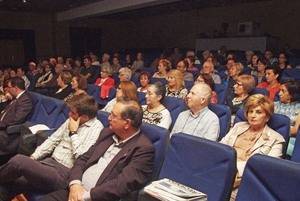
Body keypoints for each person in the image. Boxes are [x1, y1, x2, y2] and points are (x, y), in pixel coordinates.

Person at [40, 100, 155, 201]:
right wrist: (75, 184)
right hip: (75, 190)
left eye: (113, 116)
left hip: (96, 198)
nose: (109, 118)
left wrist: (84, 196)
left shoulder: (143, 149)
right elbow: (82, 159)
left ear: (127, 123)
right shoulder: (107, 133)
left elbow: (122, 184)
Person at [0, 94, 104, 200]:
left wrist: (73, 133)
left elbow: (81, 158)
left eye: (73, 113)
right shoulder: (72, 119)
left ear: (85, 117)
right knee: (10, 184)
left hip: (64, 173)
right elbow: (52, 140)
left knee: (19, 161)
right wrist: (33, 157)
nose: (69, 115)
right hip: (48, 163)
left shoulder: (97, 129)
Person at [221, 94, 285, 199]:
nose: (252, 115)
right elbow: (221, 148)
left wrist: (234, 170)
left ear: (267, 117)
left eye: (258, 112)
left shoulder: (276, 139)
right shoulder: (238, 127)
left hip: (246, 182)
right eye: (250, 111)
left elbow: (267, 168)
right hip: (222, 172)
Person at [0, 77, 33, 163]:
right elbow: (5, 112)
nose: (7, 90)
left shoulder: (25, 100)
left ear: (15, 88)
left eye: (9, 87)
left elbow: (17, 120)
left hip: (8, 133)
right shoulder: (16, 98)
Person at [274, 80, 300, 156]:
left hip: (290, 139)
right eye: (280, 90)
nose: (279, 93)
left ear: (291, 95)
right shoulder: (274, 105)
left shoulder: (299, 108)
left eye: (283, 91)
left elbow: (295, 130)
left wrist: (277, 130)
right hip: (271, 135)